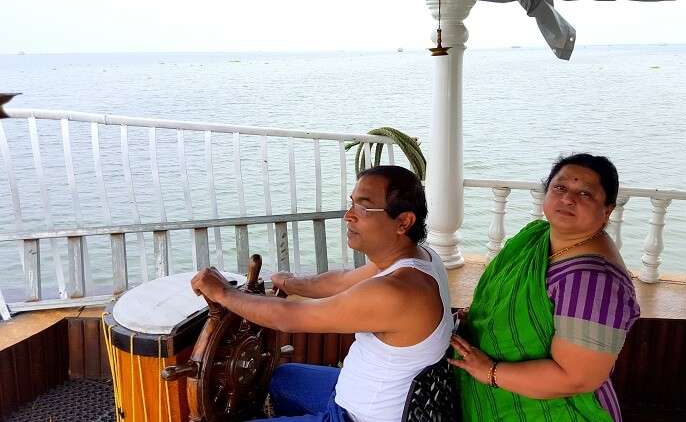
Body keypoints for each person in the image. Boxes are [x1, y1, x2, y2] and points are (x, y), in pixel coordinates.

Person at [191, 165, 453, 422]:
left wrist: (223, 293)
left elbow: (289, 317)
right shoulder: (421, 258)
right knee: (283, 378)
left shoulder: (396, 292)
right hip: (359, 391)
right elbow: (342, 281)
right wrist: (291, 282)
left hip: (355, 415)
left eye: (364, 207)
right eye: (351, 203)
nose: (349, 215)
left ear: (403, 222)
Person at [450, 153, 640, 421]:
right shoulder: (536, 236)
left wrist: (490, 372)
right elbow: (505, 295)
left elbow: (576, 379)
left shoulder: (594, 280)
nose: (568, 198)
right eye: (560, 187)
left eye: (585, 194)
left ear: (607, 210)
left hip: (555, 411)